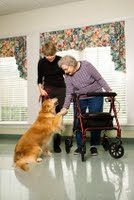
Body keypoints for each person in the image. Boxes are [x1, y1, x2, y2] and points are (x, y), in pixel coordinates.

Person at [58, 55, 112, 156]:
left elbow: (99, 79)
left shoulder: (87, 66)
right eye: (63, 70)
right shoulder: (68, 76)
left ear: (72, 64)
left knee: (95, 120)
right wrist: (65, 107)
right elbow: (69, 92)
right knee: (78, 121)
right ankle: (80, 146)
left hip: (95, 96)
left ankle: (94, 146)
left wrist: (109, 92)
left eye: (66, 69)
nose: (65, 72)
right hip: (80, 98)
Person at [37, 41, 66, 153]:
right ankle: (45, 144)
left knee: (59, 117)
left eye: (52, 55)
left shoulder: (60, 59)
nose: (49, 58)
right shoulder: (41, 63)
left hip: (61, 89)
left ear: (55, 52)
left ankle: (57, 144)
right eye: (47, 56)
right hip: (48, 89)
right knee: (47, 117)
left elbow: (67, 75)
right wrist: (41, 89)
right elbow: (39, 79)